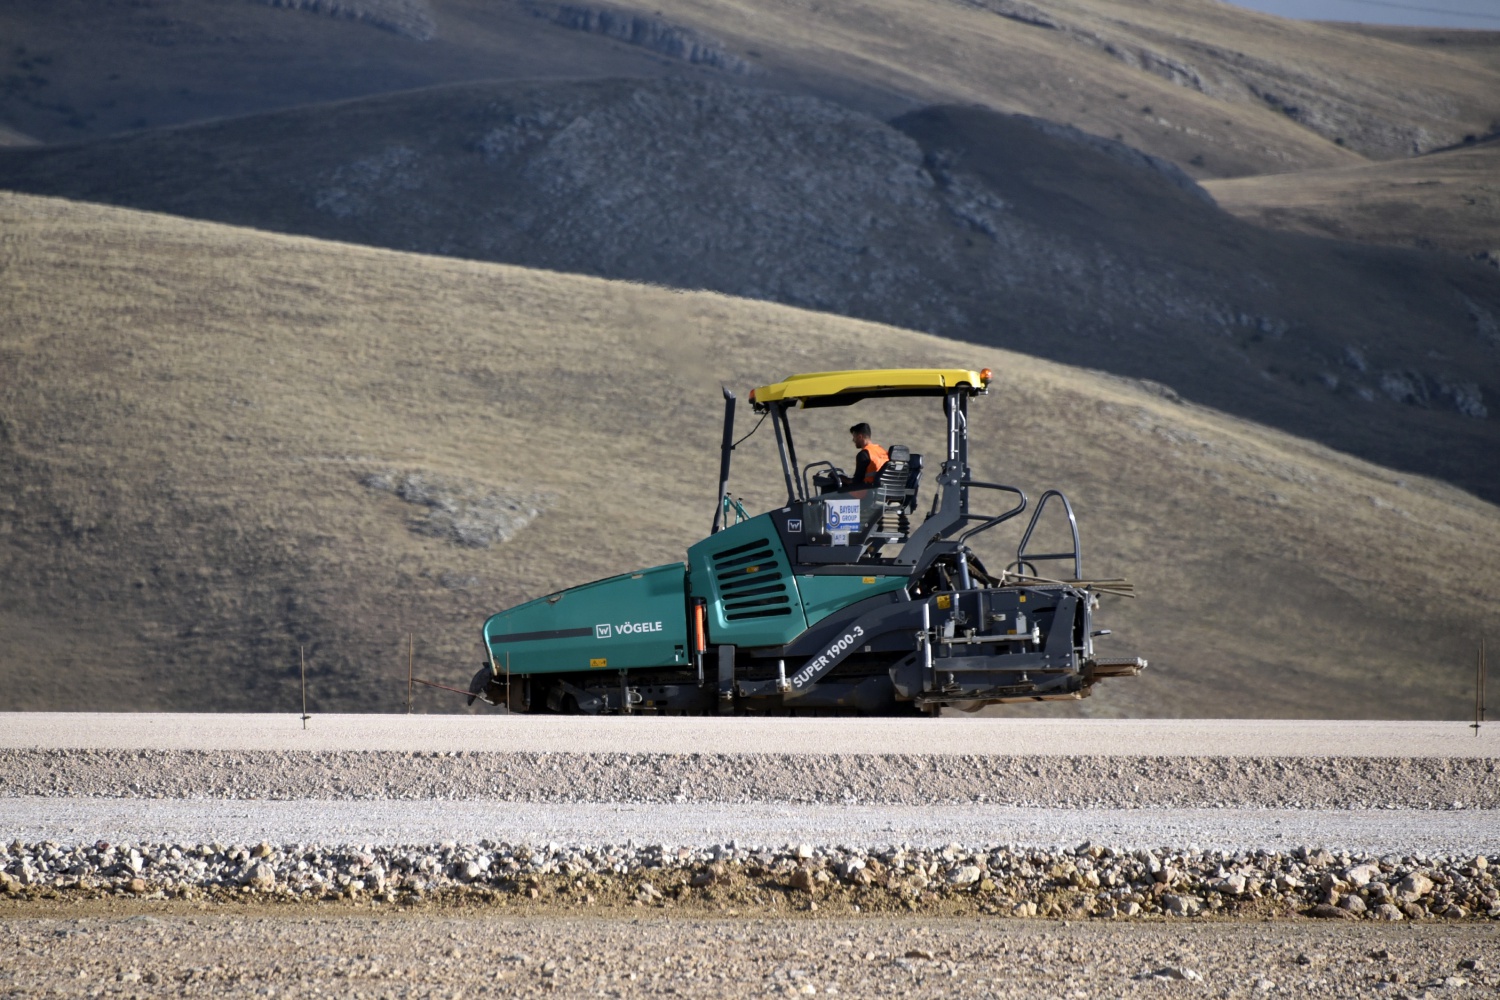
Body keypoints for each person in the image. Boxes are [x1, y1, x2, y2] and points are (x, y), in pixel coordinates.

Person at [847, 423, 889, 488]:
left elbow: (856, 482)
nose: (853, 440)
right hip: (884, 490)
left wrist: (841, 478)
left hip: (868, 492)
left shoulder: (864, 455)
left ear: (860, 437)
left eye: (854, 437)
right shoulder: (883, 451)